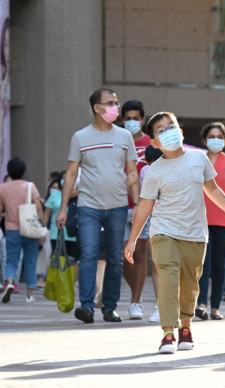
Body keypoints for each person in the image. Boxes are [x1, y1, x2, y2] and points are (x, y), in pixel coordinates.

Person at [124, 111, 225, 354]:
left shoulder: (199, 159)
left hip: (195, 234)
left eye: (171, 127)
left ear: (180, 131)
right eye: (160, 130)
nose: (167, 132)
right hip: (164, 232)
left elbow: (213, 190)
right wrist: (133, 239)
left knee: (190, 285)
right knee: (168, 279)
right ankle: (168, 332)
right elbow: (145, 206)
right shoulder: (155, 171)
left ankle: (185, 327)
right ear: (154, 142)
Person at [56, 88, 140, 324]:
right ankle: (87, 307)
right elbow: (71, 174)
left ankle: (109, 307)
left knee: (115, 258)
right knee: (89, 254)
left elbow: (132, 172)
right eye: (110, 102)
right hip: (88, 207)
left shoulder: (124, 137)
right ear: (97, 108)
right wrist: (63, 208)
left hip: (118, 207)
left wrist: (138, 207)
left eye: (116, 102)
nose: (115, 106)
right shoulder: (80, 137)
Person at [196, 122, 225, 320]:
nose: (215, 140)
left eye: (219, 136)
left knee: (220, 263)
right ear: (204, 140)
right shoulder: (197, 160)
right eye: (211, 136)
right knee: (203, 263)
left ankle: (216, 307)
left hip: (224, 218)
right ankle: (201, 303)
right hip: (200, 218)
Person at [120, 99, 152, 320]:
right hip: (118, 205)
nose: (132, 122)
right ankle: (134, 294)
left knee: (140, 254)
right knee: (122, 256)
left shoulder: (152, 143)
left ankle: (136, 301)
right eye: (127, 119)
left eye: (135, 118)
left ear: (142, 120)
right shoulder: (117, 142)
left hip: (144, 205)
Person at [0, 158, 45, 303]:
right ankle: (29, 294)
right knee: (31, 260)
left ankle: (11, 282)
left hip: (11, 229)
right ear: (23, 170)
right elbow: (38, 207)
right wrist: (42, 226)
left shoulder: (3, 188)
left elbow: (0, 209)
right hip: (30, 228)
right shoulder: (30, 186)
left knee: (11, 260)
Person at [140, 144, 164, 323]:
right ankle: (160, 306)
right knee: (156, 263)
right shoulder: (145, 172)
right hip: (153, 218)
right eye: (151, 162)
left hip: (177, 217)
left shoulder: (177, 168)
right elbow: (145, 199)